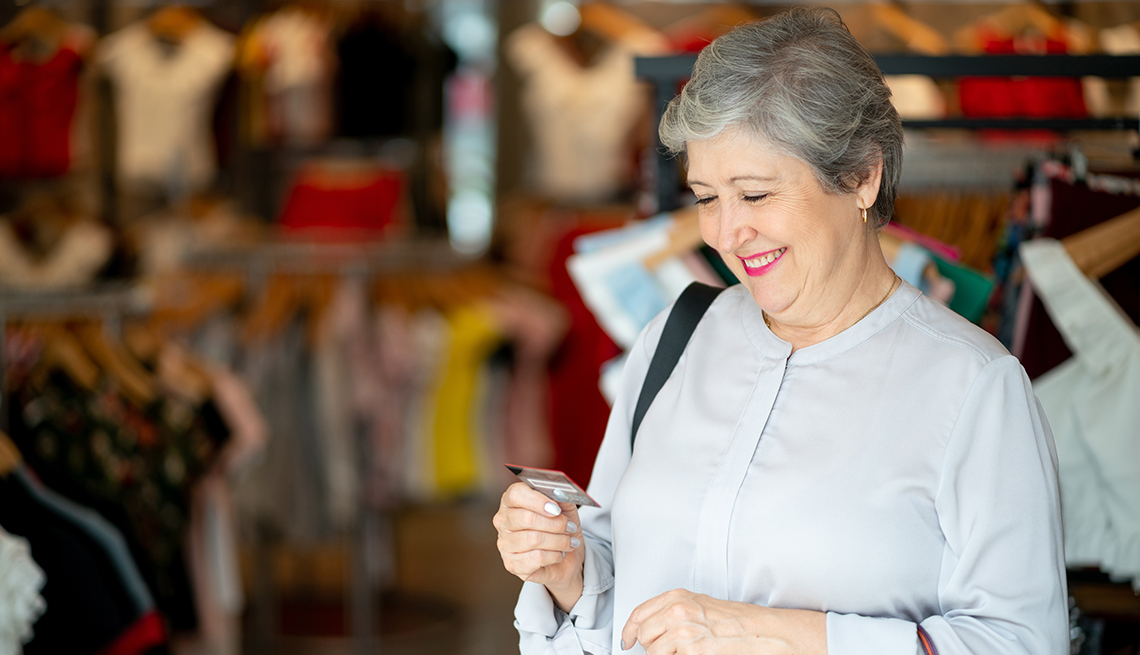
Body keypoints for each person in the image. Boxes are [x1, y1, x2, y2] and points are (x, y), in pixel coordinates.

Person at [493, 7, 1068, 655]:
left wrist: (776, 632)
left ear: (861, 176)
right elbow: (611, 587)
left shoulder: (974, 387)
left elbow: (1022, 642)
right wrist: (567, 571)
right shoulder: (676, 338)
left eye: (756, 194)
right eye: (707, 197)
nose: (725, 234)